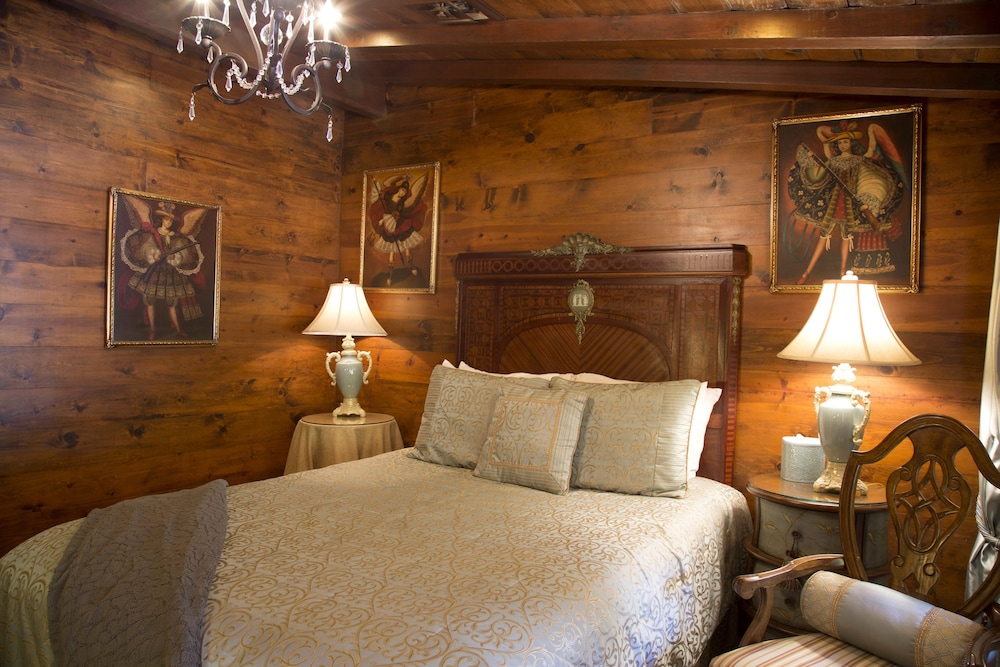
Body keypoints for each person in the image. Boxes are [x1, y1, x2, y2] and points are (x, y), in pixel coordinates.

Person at [786, 120, 907, 285]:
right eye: (840, 142)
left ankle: (843, 272)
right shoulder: (833, 161)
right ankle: (806, 272)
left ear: (851, 143)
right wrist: (810, 162)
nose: (842, 145)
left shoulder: (860, 160)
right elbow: (819, 173)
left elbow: (867, 178)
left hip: (851, 205)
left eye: (845, 141)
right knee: (824, 235)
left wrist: (867, 198)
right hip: (834, 203)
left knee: (846, 237)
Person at [119, 196, 207, 340]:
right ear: (161, 220)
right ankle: (152, 330)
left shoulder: (176, 236)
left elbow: (184, 253)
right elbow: (145, 247)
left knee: (172, 303)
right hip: (154, 272)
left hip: (171, 273)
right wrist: (153, 254)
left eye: (170, 220)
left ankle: (178, 329)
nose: (168, 222)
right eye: (166, 219)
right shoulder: (152, 233)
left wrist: (176, 257)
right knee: (149, 301)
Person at [367, 172, 429, 286]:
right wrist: (402, 177)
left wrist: (396, 216)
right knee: (391, 249)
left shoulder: (401, 203)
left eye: (404, 192)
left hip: (399, 224)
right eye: (402, 190)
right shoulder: (388, 196)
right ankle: (390, 275)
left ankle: (411, 265)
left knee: (405, 245)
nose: (402, 193)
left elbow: (403, 211)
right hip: (388, 223)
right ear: (399, 189)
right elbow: (387, 183)